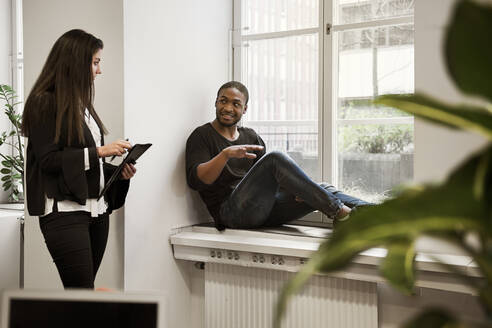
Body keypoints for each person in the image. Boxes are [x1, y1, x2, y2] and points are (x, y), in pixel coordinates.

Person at [21, 29, 136, 289]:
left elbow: (83, 161)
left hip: (96, 211)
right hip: (64, 213)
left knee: (84, 297)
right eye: (95, 62)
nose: (99, 70)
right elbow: (49, 160)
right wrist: (100, 152)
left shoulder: (81, 104)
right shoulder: (43, 103)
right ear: (75, 62)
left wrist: (118, 172)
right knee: (81, 295)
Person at [186, 81, 370, 230]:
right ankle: (341, 213)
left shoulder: (250, 136)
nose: (228, 108)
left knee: (323, 189)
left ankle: (380, 215)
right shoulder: (202, 135)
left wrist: (297, 190)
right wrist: (225, 155)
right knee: (275, 158)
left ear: (244, 109)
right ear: (216, 102)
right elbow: (198, 181)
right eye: (223, 101)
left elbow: (273, 180)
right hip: (232, 214)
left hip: (265, 211)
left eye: (236, 104)